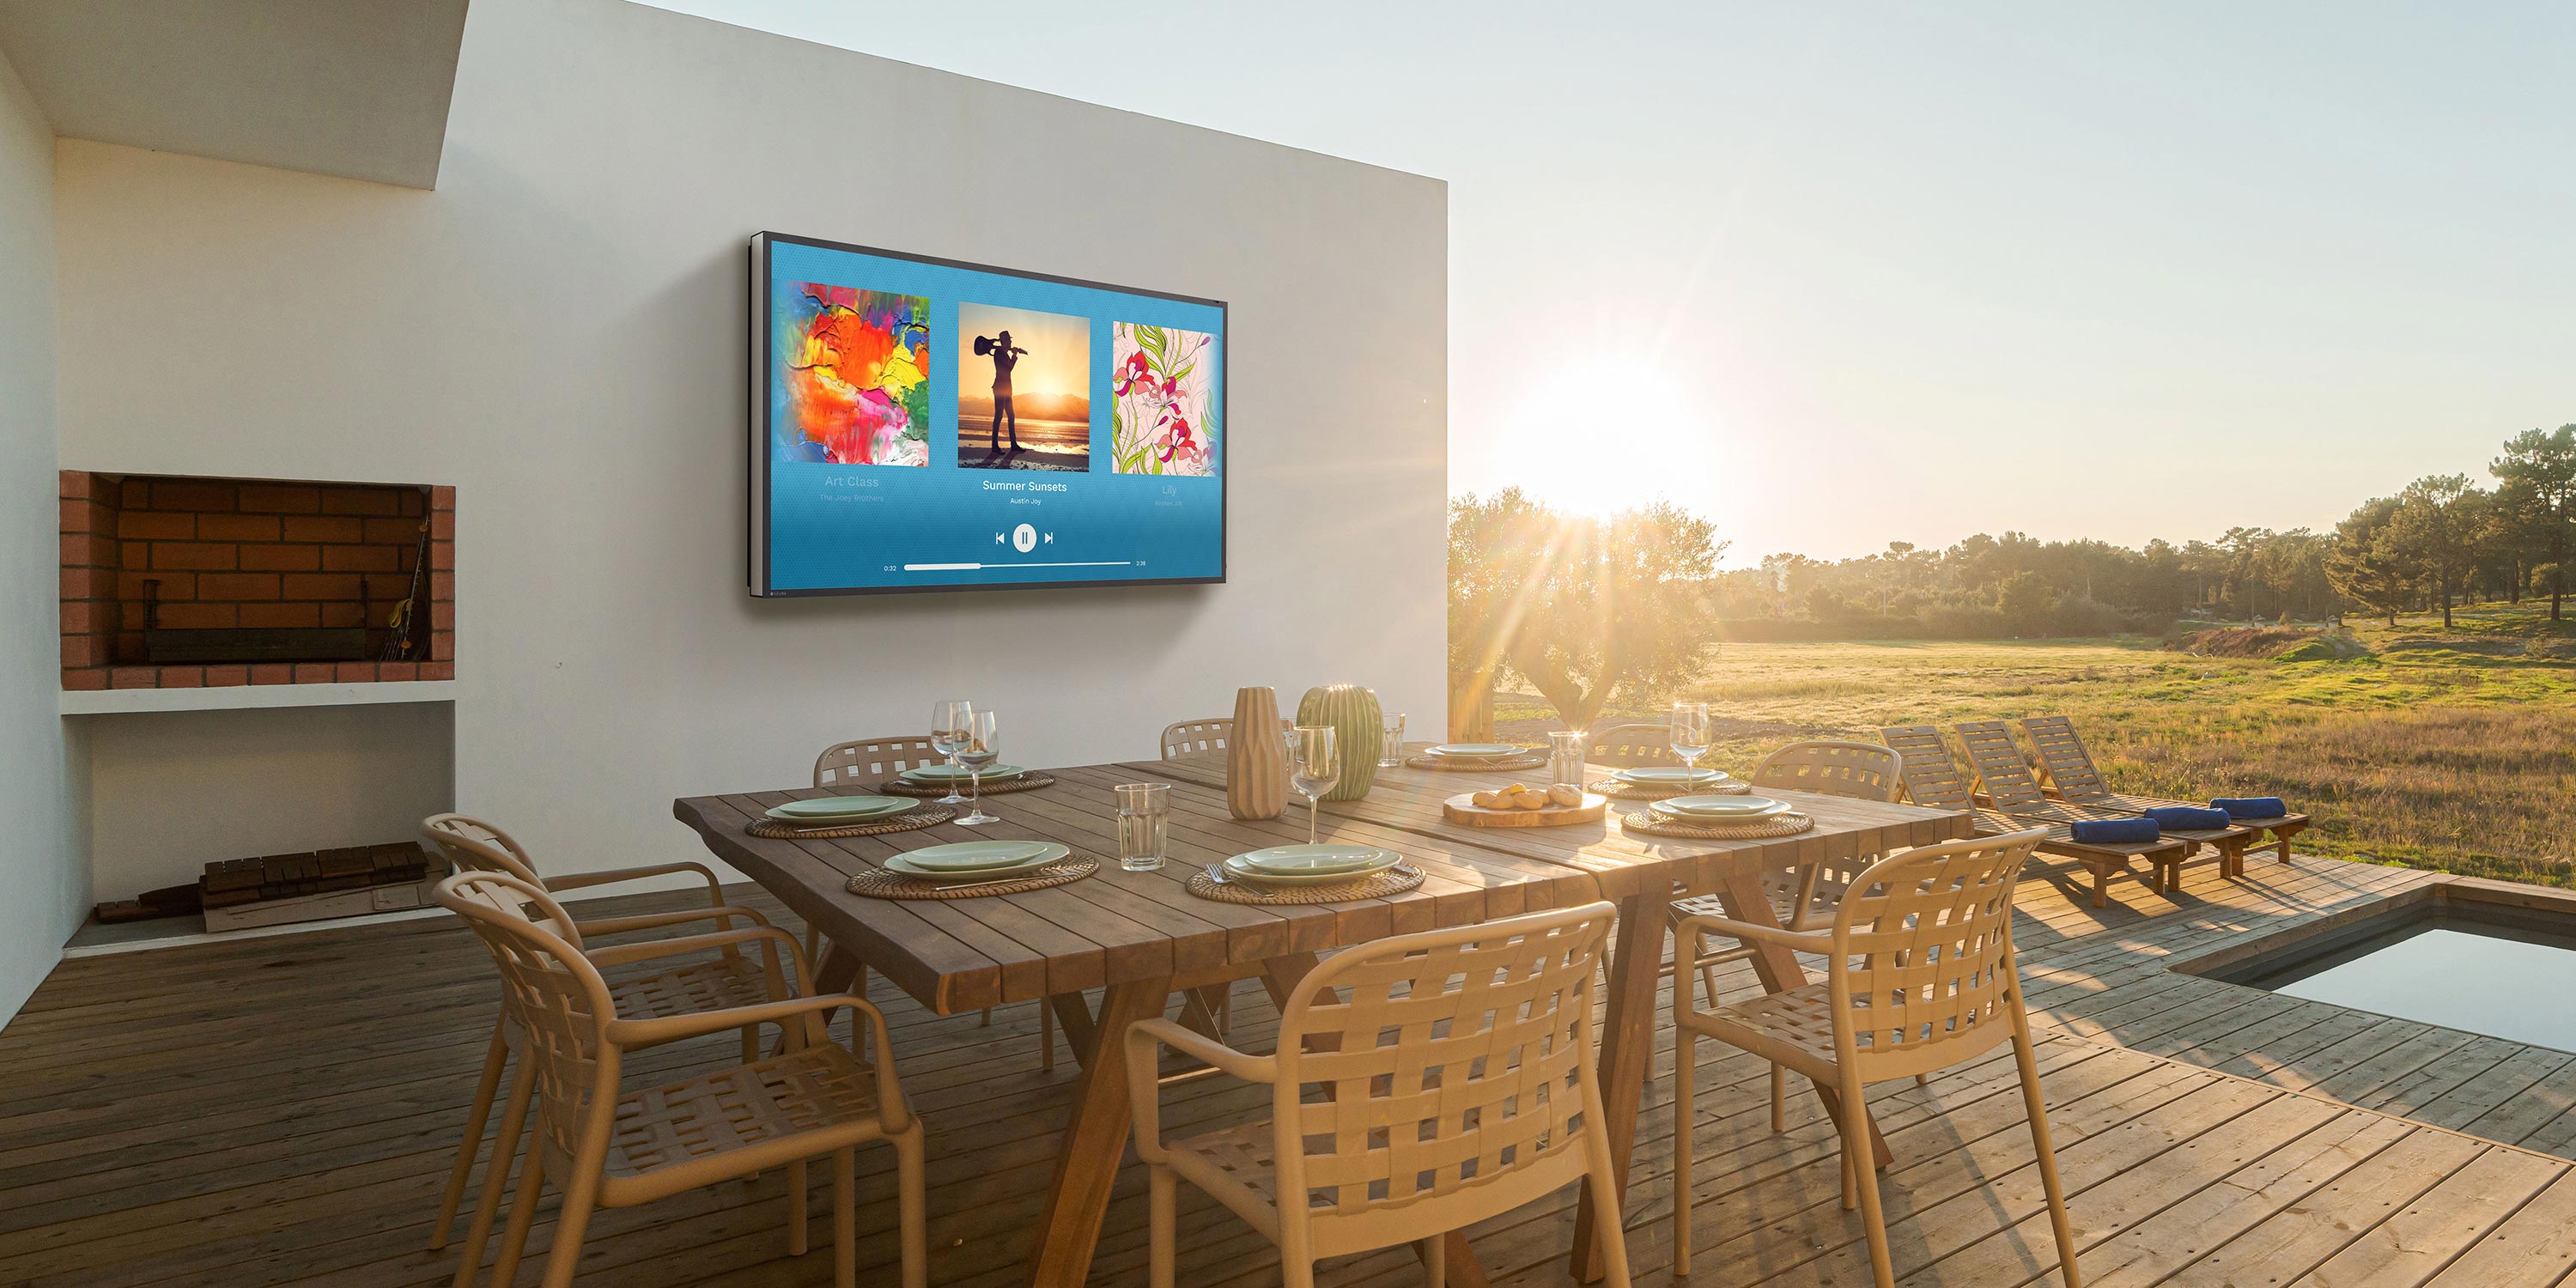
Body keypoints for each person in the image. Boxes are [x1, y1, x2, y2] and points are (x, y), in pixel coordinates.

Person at [984, 330, 1027, 455]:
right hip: (1000, 388)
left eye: (1010, 340)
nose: (1011, 342)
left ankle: (1013, 445)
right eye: (1009, 340)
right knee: (998, 416)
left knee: (1011, 416)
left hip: (1007, 389)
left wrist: (1012, 354)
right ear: (1004, 342)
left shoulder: (1003, 353)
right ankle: (994, 446)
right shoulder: (999, 353)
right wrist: (1014, 355)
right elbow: (1008, 369)